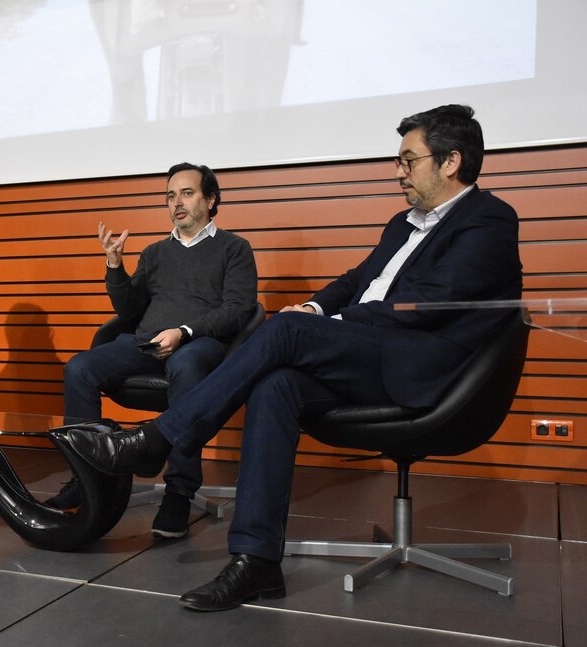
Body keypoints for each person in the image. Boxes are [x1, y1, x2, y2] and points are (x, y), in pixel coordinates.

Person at [64, 104, 522, 610]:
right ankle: (256, 561)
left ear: (451, 161)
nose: (398, 172)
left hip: (418, 364)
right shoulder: (402, 223)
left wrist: (327, 324)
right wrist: (316, 305)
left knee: (285, 331)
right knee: (275, 384)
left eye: (408, 160)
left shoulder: (489, 220)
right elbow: (357, 280)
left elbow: (430, 304)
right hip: (367, 353)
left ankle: (160, 438)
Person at [49, 162, 257, 539]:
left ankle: (179, 490)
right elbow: (129, 312)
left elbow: (239, 309)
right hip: (144, 343)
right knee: (79, 369)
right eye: (170, 195)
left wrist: (183, 331)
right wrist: (115, 266)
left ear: (211, 200)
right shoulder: (155, 252)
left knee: (187, 366)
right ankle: (86, 478)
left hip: (199, 343)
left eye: (187, 193)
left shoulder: (234, 248)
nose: (177, 202)